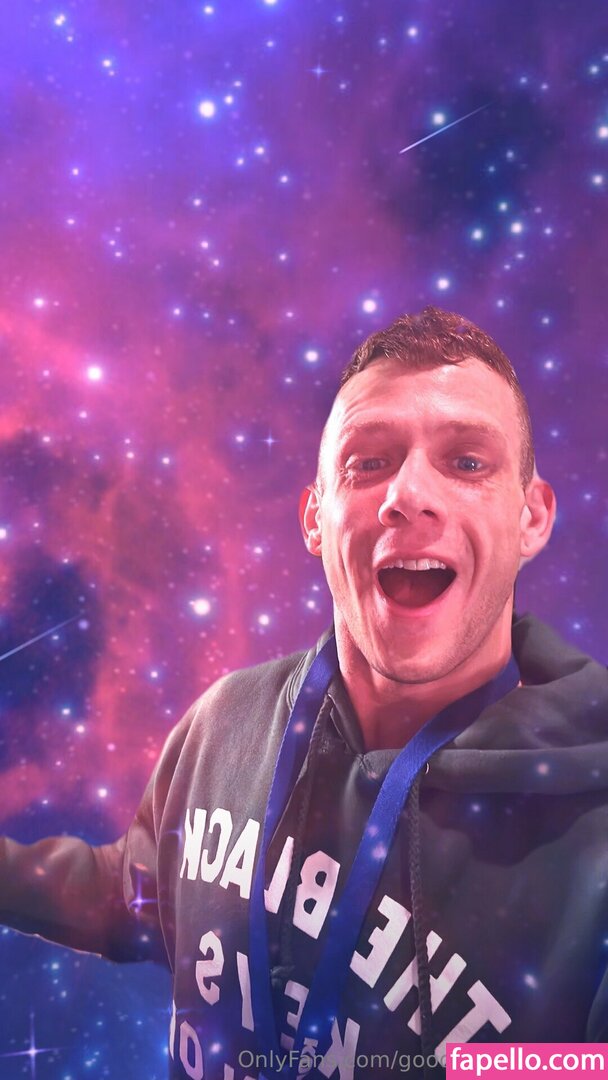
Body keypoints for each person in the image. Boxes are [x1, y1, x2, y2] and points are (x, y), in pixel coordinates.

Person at [1, 306, 607, 1080]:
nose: (408, 494)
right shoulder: (223, 721)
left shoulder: (593, 839)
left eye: (466, 462)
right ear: (315, 517)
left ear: (533, 517)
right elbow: (137, 892)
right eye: (368, 461)